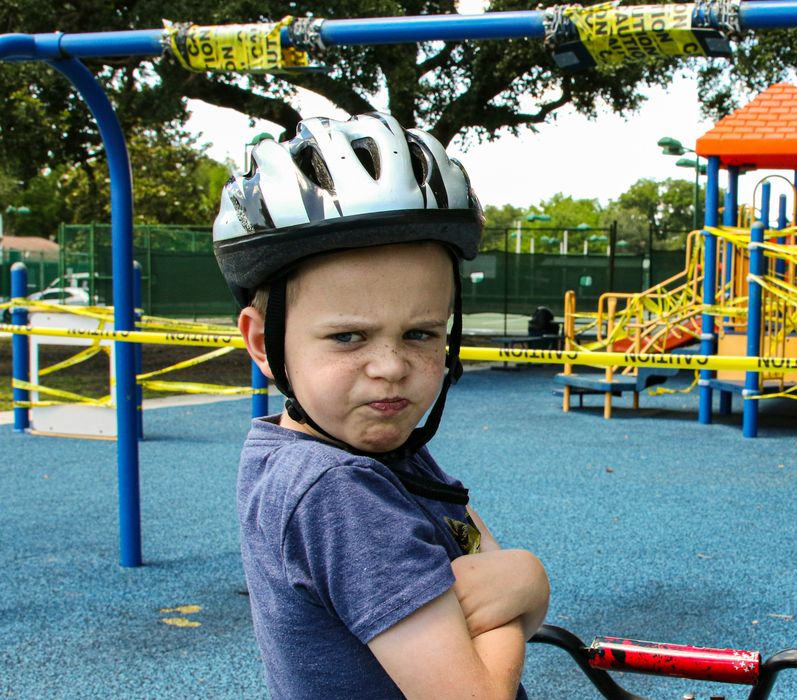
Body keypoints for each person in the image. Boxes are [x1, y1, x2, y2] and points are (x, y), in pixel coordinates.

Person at [213, 113, 549, 699]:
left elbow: (477, 561)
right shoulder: (339, 491)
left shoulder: (382, 447)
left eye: (421, 333)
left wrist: (508, 591)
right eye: (348, 337)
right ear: (265, 342)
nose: (391, 366)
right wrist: (528, 582)